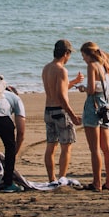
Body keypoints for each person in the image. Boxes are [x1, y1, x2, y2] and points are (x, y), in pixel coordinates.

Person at [78, 41, 109, 191]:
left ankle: (97, 182)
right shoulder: (105, 66)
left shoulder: (92, 66)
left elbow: (90, 90)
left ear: (88, 54)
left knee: (94, 148)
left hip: (93, 107)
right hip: (105, 108)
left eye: (83, 55)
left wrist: (83, 88)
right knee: (106, 147)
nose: (83, 59)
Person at [41, 39, 84, 182]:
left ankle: (51, 178)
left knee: (51, 146)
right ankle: (62, 178)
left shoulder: (47, 68)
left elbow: (57, 89)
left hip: (48, 110)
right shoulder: (61, 70)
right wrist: (72, 116)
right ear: (66, 53)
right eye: (69, 54)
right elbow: (61, 96)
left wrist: (74, 82)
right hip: (60, 111)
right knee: (66, 146)